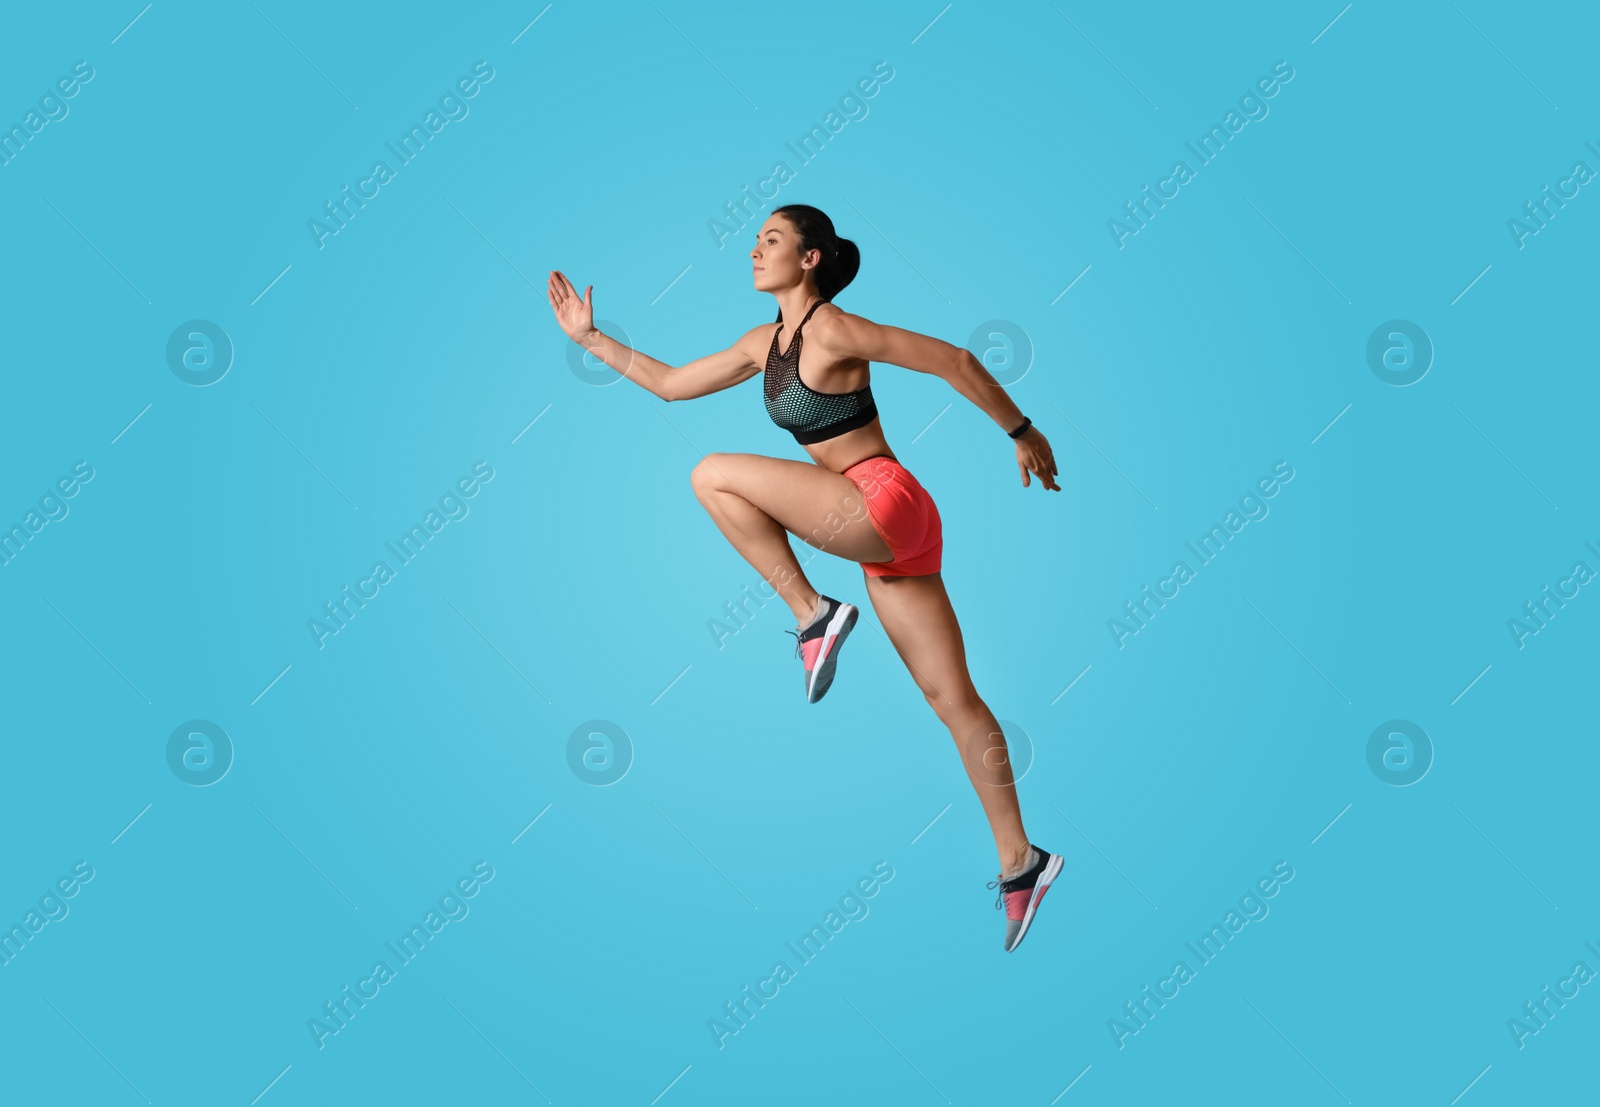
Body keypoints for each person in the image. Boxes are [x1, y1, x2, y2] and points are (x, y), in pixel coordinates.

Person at [546, 204, 1062, 952]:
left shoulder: (834, 330)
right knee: (953, 699)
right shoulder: (764, 344)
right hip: (879, 533)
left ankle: (814, 612)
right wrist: (591, 338)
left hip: (879, 499)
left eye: (773, 241)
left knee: (713, 474)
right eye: (756, 241)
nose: (754, 250)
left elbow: (953, 360)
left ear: (811, 259)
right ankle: (1023, 860)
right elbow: (669, 384)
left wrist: (1022, 431)